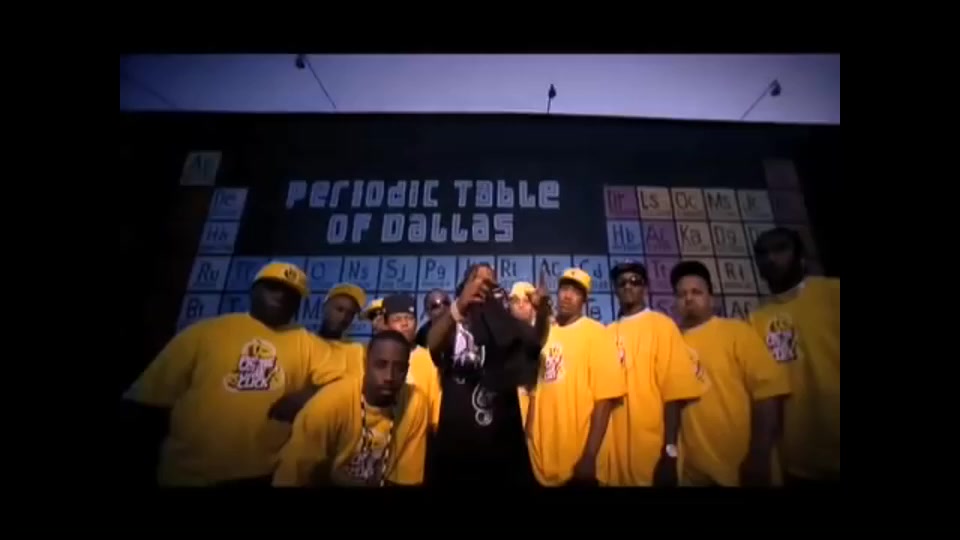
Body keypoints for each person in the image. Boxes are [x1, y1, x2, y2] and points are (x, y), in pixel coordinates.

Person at [122, 262, 345, 487]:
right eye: (273, 287)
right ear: (254, 290)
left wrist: (305, 396)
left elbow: (349, 377)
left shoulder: (306, 341)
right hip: (188, 474)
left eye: (291, 293)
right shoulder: (204, 333)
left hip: (265, 474)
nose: (281, 296)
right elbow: (147, 403)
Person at [425, 263, 548, 486]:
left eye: (489, 283)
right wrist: (460, 305)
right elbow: (433, 344)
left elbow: (534, 342)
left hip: (503, 454)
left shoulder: (506, 325)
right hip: (458, 454)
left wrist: (543, 311)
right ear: (464, 286)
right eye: (477, 280)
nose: (483, 287)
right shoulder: (451, 325)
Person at [671, 261, 791, 486]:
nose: (688, 298)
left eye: (696, 292)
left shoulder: (737, 332)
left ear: (711, 298)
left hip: (742, 470)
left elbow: (768, 395)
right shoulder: (672, 342)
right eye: (681, 294)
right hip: (691, 474)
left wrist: (759, 455)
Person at [273, 331, 430, 486]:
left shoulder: (415, 402)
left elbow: (405, 478)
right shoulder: (331, 402)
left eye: (399, 368)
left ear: (407, 369)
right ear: (365, 364)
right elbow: (293, 474)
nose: (389, 376)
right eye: (381, 365)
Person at [749, 227, 840, 485]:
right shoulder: (757, 318)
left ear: (801, 255)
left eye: (780, 249)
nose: (771, 258)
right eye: (763, 253)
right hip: (798, 460)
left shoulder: (833, 293)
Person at [602, 261, 705, 487]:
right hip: (615, 454)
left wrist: (670, 451)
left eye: (635, 281)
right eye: (622, 282)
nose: (628, 286)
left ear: (645, 287)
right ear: (615, 289)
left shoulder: (663, 326)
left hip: (653, 451)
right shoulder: (607, 332)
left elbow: (675, 394)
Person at [526, 268, 625, 486]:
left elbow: (604, 400)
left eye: (576, 291)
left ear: (584, 300)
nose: (567, 296)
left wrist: (590, 455)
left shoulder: (597, 333)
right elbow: (536, 387)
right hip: (543, 459)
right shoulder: (546, 332)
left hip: (581, 461)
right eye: (564, 289)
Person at [267, 282, 367, 422]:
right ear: (325, 307)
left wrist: (312, 393)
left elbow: (352, 389)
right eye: (339, 309)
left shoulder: (356, 351)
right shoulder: (299, 340)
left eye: (350, 314)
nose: (344, 318)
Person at [381, 294, 442, 430]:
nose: (405, 323)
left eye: (409, 318)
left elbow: (435, 413)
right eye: (397, 319)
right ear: (385, 324)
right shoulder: (372, 357)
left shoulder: (428, 359)